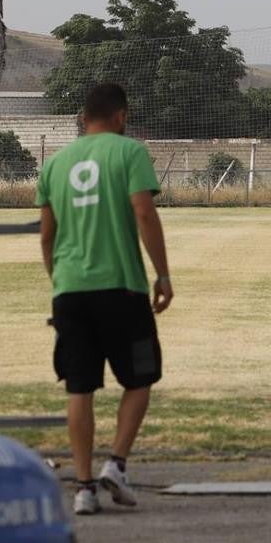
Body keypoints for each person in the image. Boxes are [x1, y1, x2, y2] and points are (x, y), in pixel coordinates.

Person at [37, 82, 173, 516]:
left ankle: (83, 486)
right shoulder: (128, 152)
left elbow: (46, 233)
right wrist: (163, 274)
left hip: (70, 291)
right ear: (121, 117)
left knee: (80, 388)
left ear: (82, 118)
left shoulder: (56, 163)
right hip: (121, 287)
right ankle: (116, 463)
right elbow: (144, 211)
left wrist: (58, 279)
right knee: (140, 378)